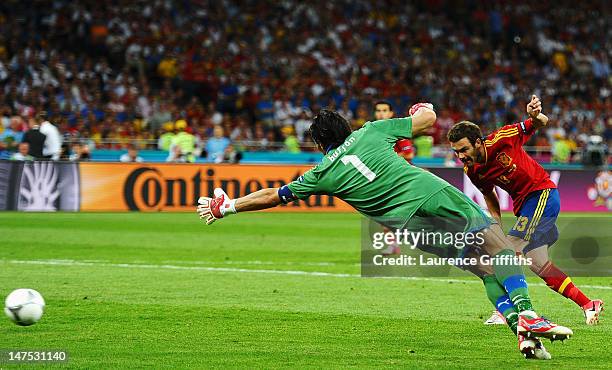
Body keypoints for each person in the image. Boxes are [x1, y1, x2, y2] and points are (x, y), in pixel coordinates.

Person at [197, 105, 572, 360]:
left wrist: (228, 206)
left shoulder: (320, 173)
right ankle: (528, 314)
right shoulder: (371, 132)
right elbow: (428, 120)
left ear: (320, 143)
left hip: (411, 228)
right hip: (433, 196)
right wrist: (419, 109)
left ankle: (522, 334)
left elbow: (272, 197)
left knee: (484, 270)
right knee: (501, 247)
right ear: (344, 128)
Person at [447, 95, 603, 326]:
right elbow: (490, 196)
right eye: (456, 152)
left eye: (464, 149)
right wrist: (496, 227)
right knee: (538, 264)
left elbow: (541, 122)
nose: (461, 156)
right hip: (524, 207)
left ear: (478, 142)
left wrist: (534, 115)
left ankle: (508, 310)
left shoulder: (503, 138)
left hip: (542, 195)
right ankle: (588, 304)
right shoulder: (473, 170)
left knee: (503, 253)